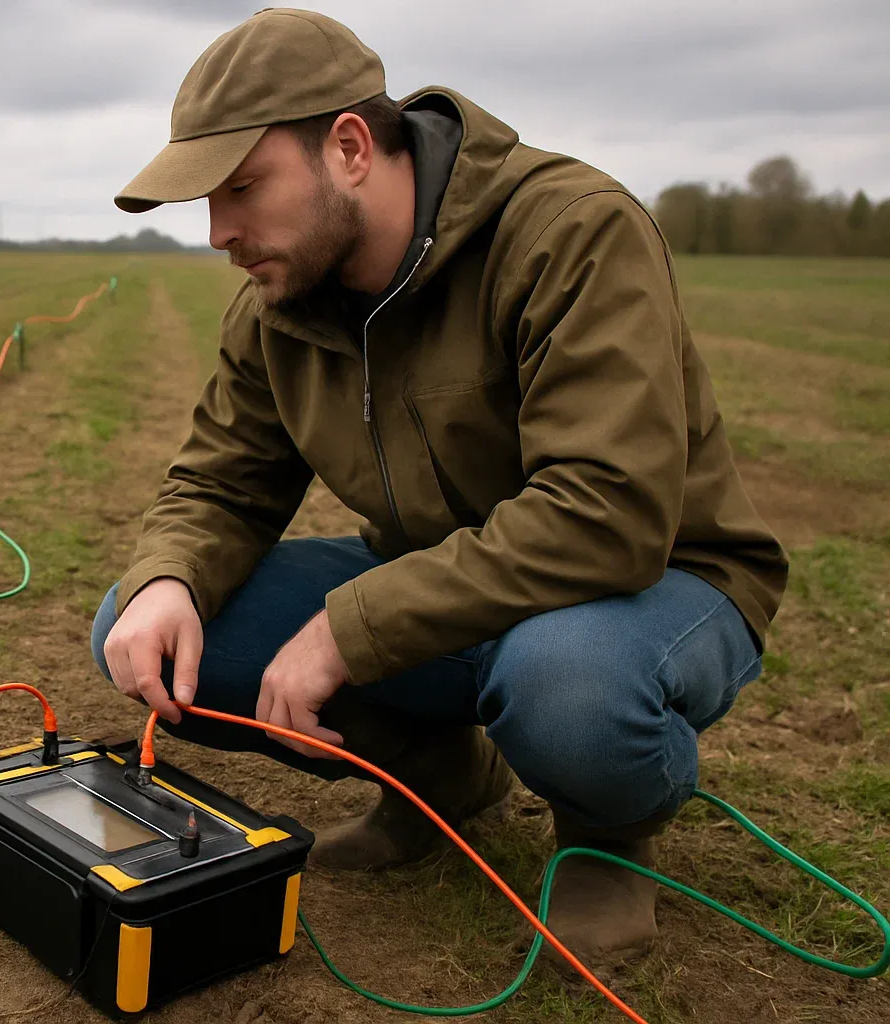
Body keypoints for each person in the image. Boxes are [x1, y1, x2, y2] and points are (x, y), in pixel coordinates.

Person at [90, 7, 788, 970]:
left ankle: (606, 830)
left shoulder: (572, 232)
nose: (218, 233)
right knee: (150, 630)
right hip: (447, 589)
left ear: (348, 147)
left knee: (566, 687)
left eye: (242, 188)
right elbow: (221, 481)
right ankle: (439, 775)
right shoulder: (281, 302)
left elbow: (609, 511)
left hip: (654, 584)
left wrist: (351, 626)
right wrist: (167, 575)